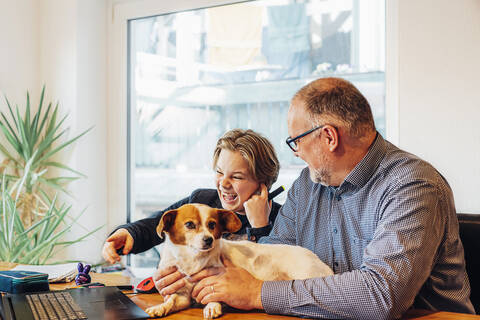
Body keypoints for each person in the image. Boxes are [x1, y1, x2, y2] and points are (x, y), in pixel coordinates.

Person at [158, 77, 475, 319]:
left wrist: (258, 293)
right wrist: (198, 273)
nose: (296, 153)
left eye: (296, 141)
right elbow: (271, 256)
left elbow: (382, 296)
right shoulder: (307, 186)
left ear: (329, 137)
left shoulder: (413, 186)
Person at [102, 128, 281, 264]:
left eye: (236, 177)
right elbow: (157, 223)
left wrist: (260, 227)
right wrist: (128, 233)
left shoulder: (284, 219)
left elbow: (269, 273)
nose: (224, 184)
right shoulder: (203, 201)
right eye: (219, 172)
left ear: (262, 183)